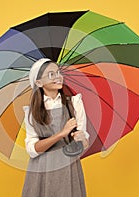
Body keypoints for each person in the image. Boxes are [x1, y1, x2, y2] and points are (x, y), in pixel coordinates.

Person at [22, 58, 90, 197]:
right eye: (51, 74)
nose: (58, 77)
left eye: (58, 72)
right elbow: (32, 150)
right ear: (39, 82)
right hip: (41, 169)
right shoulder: (31, 112)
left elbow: (84, 144)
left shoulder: (74, 103)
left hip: (68, 167)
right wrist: (61, 134)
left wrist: (82, 139)